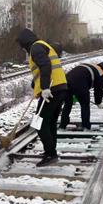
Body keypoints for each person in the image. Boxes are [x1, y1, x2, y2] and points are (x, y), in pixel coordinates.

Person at [16, 28, 68, 167]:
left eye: (22, 46)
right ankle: (50, 152)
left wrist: (45, 87)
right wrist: (36, 85)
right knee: (50, 123)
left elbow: (45, 65)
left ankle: (51, 154)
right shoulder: (41, 45)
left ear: (25, 42)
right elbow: (41, 70)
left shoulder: (36, 48)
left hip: (51, 89)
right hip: (59, 87)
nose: (22, 49)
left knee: (39, 123)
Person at [59, 61, 103, 130]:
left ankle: (62, 125)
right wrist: (98, 102)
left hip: (66, 81)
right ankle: (86, 126)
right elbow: (98, 89)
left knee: (68, 103)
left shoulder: (91, 66)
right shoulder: (100, 73)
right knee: (85, 104)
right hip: (79, 83)